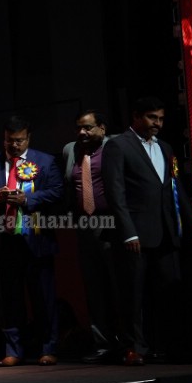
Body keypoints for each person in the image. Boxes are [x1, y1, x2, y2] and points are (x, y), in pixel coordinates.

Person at [103, 97, 192, 364]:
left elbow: (175, 190)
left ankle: (171, 345)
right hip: (135, 235)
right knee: (133, 294)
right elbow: (115, 193)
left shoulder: (166, 147)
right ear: (136, 117)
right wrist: (128, 232)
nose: (157, 124)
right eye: (151, 118)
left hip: (166, 232)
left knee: (169, 292)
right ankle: (133, 347)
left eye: (160, 119)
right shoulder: (118, 146)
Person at [0, 117, 63, 366]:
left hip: (37, 238)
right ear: (4, 138)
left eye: (19, 140)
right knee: (9, 299)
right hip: (4, 239)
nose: (14, 145)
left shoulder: (45, 161)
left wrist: (28, 199)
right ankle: (13, 350)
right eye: (9, 140)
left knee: (43, 298)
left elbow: (57, 191)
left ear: (28, 138)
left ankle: (48, 348)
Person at [61, 110, 117, 361]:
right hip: (85, 227)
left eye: (88, 128)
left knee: (119, 288)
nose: (82, 132)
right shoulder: (70, 150)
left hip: (114, 226)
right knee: (94, 290)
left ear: (102, 128)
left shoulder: (114, 147)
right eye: (79, 128)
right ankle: (102, 345)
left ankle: (129, 344)